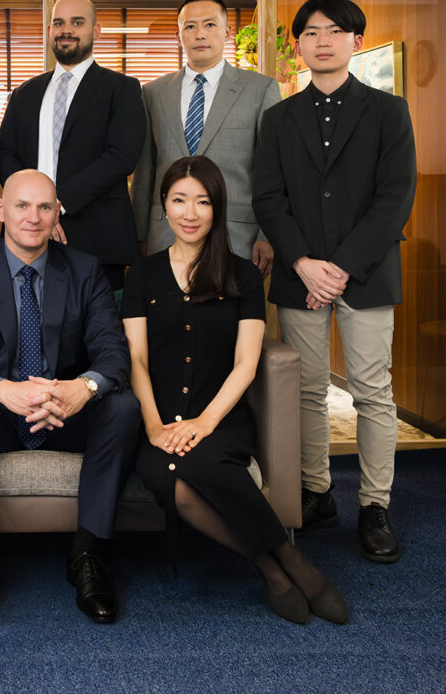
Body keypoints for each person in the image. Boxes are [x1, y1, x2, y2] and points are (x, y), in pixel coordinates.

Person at [123, 156, 347, 625]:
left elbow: (247, 363)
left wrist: (205, 421)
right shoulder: (141, 275)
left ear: (217, 208)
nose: (190, 212)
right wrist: (152, 426)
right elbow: (137, 360)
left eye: (202, 202)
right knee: (172, 480)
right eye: (179, 200)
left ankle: (289, 566)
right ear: (163, 205)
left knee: (205, 459)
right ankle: (280, 565)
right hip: (158, 418)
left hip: (221, 415)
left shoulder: (242, 275)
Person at [0, 169, 140, 628]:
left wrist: (78, 390)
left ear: (57, 212)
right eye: (22, 206)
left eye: (45, 207)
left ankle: (87, 552)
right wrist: (5, 391)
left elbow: (112, 353)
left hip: (63, 411)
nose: (33, 217)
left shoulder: (84, 269)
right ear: (1, 211)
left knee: (123, 407)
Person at [253, 0, 416, 564]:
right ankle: (317, 491)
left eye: (335, 31)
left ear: (354, 41)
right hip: (301, 276)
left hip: (365, 276)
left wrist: (341, 268)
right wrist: (301, 263)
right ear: (297, 45)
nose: (322, 41)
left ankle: (375, 505)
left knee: (372, 393)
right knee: (306, 390)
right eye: (311, 33)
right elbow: (268, 199)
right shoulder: (278, 118)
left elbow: (395, 198)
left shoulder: (389, 112)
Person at [0, 0, 146, 292]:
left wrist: (55, 206)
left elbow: (122, 155)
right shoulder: (24, 93)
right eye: (58, 23)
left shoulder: (122, 88)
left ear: (96, 31)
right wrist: (34, 210)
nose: (67, 30)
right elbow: (5, 153)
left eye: (77, 22)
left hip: (97, 235)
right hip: (26, 234)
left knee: (97, 333)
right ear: (49, 30)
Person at [131, 0, 280, 274]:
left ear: (227, 31)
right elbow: (145, 172)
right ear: (179, 36)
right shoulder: (153, 93)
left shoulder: (260, 89)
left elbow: (272, 170)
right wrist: (139, 234)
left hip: (237, 235)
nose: (200, 34)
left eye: (209, 25)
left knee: (230, 316)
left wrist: (267, 234)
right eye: (190, 26)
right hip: (165, 235)